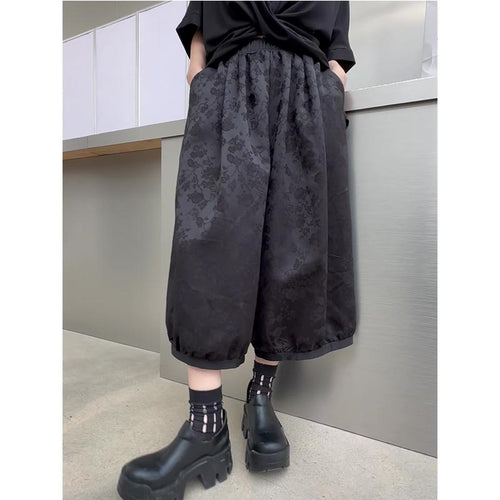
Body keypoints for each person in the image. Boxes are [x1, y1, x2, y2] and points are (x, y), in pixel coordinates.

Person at [117, 2, 356, 499]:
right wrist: (200, 72)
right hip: (227, 83)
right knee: (209, 252)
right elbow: (200, 22)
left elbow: (337, 38)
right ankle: (205, 427)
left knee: (290, 252)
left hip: (306, 92)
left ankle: (260, 398)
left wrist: (333, 81)